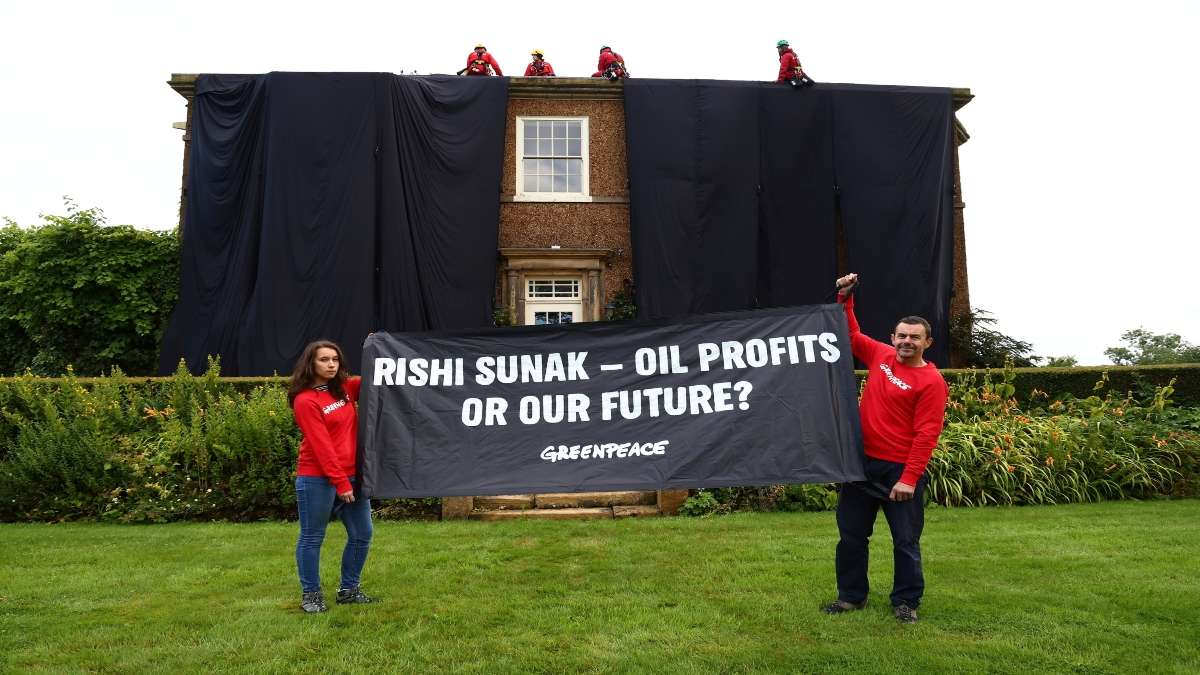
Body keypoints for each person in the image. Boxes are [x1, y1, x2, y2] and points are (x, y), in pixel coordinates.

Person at [822, 273, 948, 624]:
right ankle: (851, 598)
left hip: (899, 472)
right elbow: (849, 335)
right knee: (851, 536)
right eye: (902, 336)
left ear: (927, 343)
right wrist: (845, 298)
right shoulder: (880, 355)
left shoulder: (931, 382)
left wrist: (908, 479)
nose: (907, 342)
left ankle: (906, 602)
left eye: (914, 337)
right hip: (861, 466)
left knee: (905, 542)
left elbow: (926, 434)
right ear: (893, 337)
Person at [288, 340, 376, 613]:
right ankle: (311, 595)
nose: (330, 364)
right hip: (317, 478)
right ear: (310, 364)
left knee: (362, 533)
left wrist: (378, 347)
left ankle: (349, 590)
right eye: (324, 359)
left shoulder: (345, 389)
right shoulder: (306, 400)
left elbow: (378, 377)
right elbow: (321, 445)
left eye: (335, 360)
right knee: (312, 536)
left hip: (352, 476)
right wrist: (339, 482)